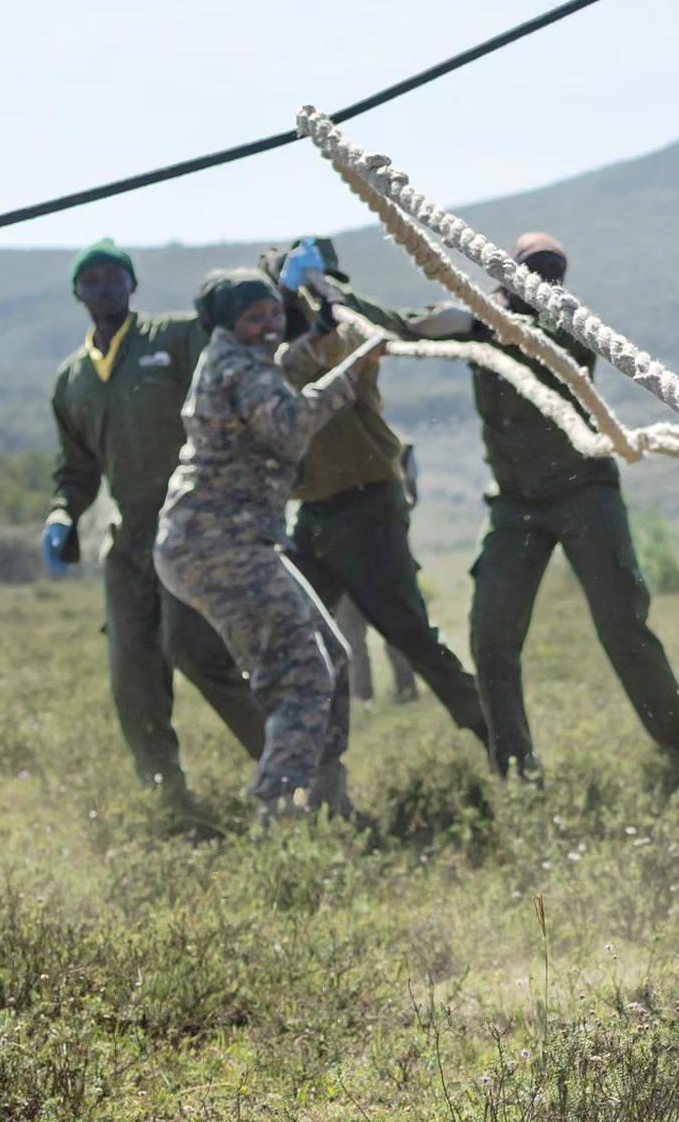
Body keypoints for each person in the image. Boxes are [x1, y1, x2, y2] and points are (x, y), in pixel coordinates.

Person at [425, 234, 679, 785]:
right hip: (515, 506)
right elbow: (406, 326)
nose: (545, 283)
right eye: (535, 272)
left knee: (623, 626)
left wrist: (477, 324)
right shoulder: (484, 320)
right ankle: (514, 769)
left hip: (585, 494)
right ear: (508, 277)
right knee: (490, 633)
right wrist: (327, 302)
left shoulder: (566, 322)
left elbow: (549, 342)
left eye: (553, 274)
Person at [44, 240, 270, 809]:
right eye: (90, 278)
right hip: (126, 543)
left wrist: (274, 291)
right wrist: (62, 514)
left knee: (196, 651)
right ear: (76, 291)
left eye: (114, 276)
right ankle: (166, 796)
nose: (103, 286)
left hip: (190, 530)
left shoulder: (173, 338)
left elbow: (233, 343)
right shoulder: (72, 379)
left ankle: (291, 770)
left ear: (132, 285)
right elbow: (75, 469)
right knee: (133, 674)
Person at [154, 266, 383, 820]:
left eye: (274, 313)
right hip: (217, 547)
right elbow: (291, 423)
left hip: (230, 542)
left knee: (333, 655)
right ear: (230, 325)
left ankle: (330, 804)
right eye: (255, 318)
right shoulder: (237, 366)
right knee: (302, 676)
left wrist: (313, 342)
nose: (269, 325)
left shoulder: (238, 359)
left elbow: (274, 375)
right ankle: (277, 817)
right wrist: (349, 371)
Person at [270, 243, 498, 766]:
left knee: (410, 634)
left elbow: (403, 329)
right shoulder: (263, 330)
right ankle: (299, 769)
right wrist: (288, 299)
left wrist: (480, 320)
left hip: (368, 504)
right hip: (313, 513)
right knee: (293, 636)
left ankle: (501, 744)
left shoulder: (347, 319)